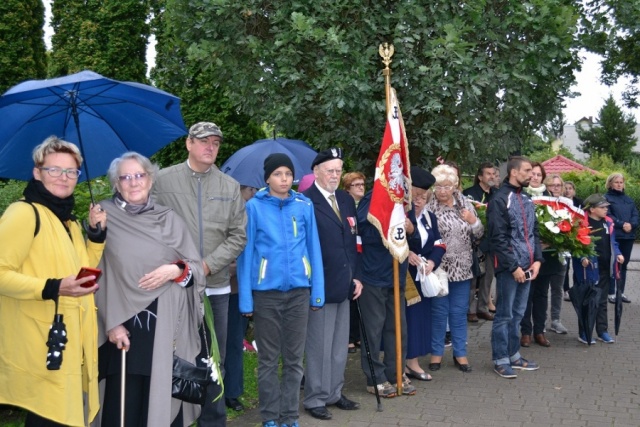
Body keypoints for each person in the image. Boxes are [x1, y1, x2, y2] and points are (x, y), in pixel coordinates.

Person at [0, 136, 107, 427]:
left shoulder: (67, 221)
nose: (64, 177)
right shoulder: (24, 213)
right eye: (54, 170)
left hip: (66, 341)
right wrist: (53, 287)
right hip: (40, 345)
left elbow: (81, 271)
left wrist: (96, 236)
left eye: (71, 171)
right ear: (37, 173)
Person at [95, 152, 206, 427]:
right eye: (125, 177)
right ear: (116, 184)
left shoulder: (169, 218)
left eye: (139, 175)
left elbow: (194, 267)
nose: (134, 182)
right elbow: (96, 273)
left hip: (166, 326)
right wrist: (111, 323)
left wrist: (175, 270)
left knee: (159, 398)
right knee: (124, 404)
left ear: (151, 179)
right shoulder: (104, 217)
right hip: (123, 329)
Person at [152, 122, 247, 427]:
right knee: (172, 355)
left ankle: (212, 421)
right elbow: (148, 225)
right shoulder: (162, 181)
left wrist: (205, 266)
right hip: (174, 288)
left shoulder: (229, 186)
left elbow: (238, 236)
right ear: (189, 144)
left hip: (215, 288)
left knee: (213, 359)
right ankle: (172, 418)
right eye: (204, 141)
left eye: (215, 143)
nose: (210, 147)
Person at [238, 153, 324, 427]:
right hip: (266, 295)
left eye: (288, 173)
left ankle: (289, 415)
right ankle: (270, 416)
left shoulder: (304, 205)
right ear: (267, 178)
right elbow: (246, 255)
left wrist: (317, 291)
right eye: (277, 174)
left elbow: (313, 249)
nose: (284, 179)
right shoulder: (254, 208)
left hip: (299, 292)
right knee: (268, 359)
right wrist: (246, 299)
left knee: (294, 359)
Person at [302, 148, 362, 421]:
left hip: (345, 284)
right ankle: (315, 397)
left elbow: (354, 240)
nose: (335, 175)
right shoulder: (306, 201)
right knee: (319, 347)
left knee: (339, 346)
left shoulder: (345, 200)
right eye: (330, 171)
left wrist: (356, 276)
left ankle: (334, 393)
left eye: (338, 171)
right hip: (320, 286)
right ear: (316, 172)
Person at [356, 181, 416, 398]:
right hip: (374, 274)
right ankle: (375, 377)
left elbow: (412, 235)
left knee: (398, 328)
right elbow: (362, 231)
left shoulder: (404, 199)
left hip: (397, 275)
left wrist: (410, 228)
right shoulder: (373, 197)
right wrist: (388, 227)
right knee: (373, 330)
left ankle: (396, 372)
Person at [488, 156, 543, 379]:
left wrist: (537, 260)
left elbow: (534, 232)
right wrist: (513, 267)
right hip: (509, 269)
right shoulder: (500, 199)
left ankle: (513, 355)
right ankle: (500, 359)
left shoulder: (527, 198)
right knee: (504, 315)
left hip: (528, 267)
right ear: (513, 172)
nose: (531, 175)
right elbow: (497, 238)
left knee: (518, 314)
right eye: (527, 171)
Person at [425, 164, 483, 373]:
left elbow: (479, 233)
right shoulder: (429, 206)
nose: (442, 191)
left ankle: (460, 353)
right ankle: (436, 353)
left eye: (447, 186)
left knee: (459, 312)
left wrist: (473, 221)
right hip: (439, 268)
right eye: (438, 186)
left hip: (463, 267)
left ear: (455, 186)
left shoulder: (464, 202)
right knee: (439, 313)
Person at [405, 166, 445, 381]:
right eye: (416, 196)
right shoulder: (403, 217)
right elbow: (393, 241)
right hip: (406, 276)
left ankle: (413, 362)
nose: (419, 200)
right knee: (407, 319)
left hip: (424, 275)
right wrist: (408, 252)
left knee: (421, 319)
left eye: (423, 197)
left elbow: (439, 243)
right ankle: (403, 363)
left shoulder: (430, 218)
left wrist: (432, 261)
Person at [224, 185, 258, 412]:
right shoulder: (221, 215)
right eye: (250, 190)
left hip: (237, 290)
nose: (253, 194)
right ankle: (211, 390)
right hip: (212, 288)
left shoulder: (250, 216)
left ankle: (232, 392)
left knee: (234, 341)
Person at [520, 166, 562, 348]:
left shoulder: (551, 198)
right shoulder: (521, 195)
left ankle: (539, 331)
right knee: (526, 294)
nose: (535, 177)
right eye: (533, 174)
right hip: (526, 254)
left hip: (547, 255)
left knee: (542, 294)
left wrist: (550, 240)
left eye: (539, 175)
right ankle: (525, 332)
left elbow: (561, 224)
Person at [573, 194, 623, 344]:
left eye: (606, 207)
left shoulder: (608, 222)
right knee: (587, 301)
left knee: (602, 301)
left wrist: (618, 254)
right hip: (587, 270)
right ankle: (584, 332)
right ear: (592, 209)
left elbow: (613, 243)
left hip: (605, 268)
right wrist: (582, 258)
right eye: (602, 207)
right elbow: (575, 245)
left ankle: (602, 331)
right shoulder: (581, 223)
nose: (606, 209)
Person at [463, 162, 496, 322]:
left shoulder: (497, 194)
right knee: (473, 277)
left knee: (488, 277)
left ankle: (482, 307)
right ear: (480, 176)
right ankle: (470, 310)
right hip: (473, 242)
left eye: (493, 174)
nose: (492, 177)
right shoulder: (469, 194)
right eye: (488, 174)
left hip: (491, 241)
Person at [341, 171, 366, 353]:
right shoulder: (345, 205)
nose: (360, 188)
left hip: (364, 253)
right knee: (350, 296)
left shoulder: (366, 204)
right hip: (351, 253)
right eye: (356, 185)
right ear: (347, 189)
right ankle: (348, 337)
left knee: (360, 297)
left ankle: (357, 335)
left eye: (362, 184)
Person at [604, 173, 638, 304]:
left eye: (621, 182)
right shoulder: (606, 198)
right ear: (610, 184)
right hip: (614, 236)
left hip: (628, 237)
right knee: (613, 264)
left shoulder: (629, 200)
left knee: (624, 265)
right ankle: (611, 293)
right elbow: (608, 215)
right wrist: (622, 224)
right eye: (616, 182)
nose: (619, 184)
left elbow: (635, 215)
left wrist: (631, 225)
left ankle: (620, 292)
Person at [563, 181, 583, 300]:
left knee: (578, 263)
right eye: (565, 188)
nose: (567, 190)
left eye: (570, 188)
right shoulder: (560, 202)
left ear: (574, 190)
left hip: (577, 236)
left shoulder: (580, 203)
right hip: (565, 236)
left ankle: (577, 288)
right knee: (565, 265)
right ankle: (566, 290)